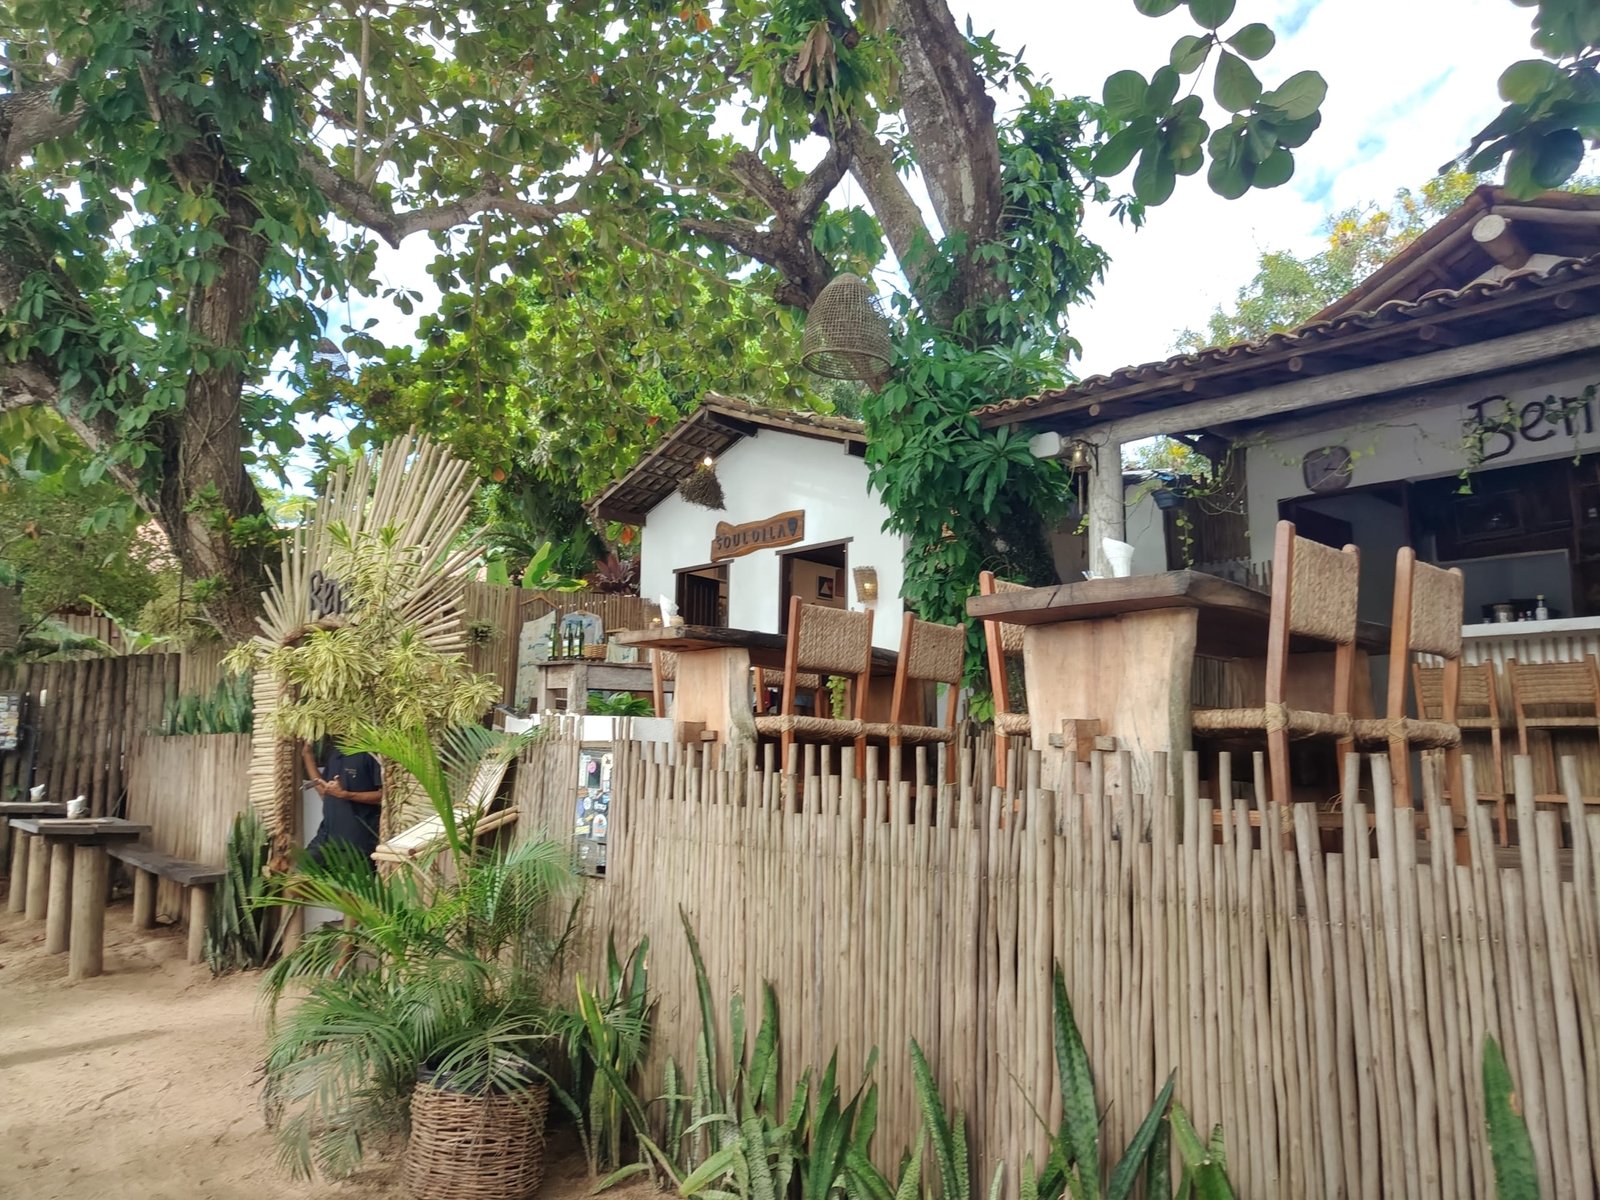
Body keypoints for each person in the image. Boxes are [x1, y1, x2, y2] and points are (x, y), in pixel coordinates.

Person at [300, 737, 384, 869]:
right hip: (327, 837)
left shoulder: (370, 753)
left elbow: (384, 796)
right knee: (302, 870)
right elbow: (324, 791)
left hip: (356, 842)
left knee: (351, 881)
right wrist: (307, 754)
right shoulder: (336, 752)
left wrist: (346, 795)